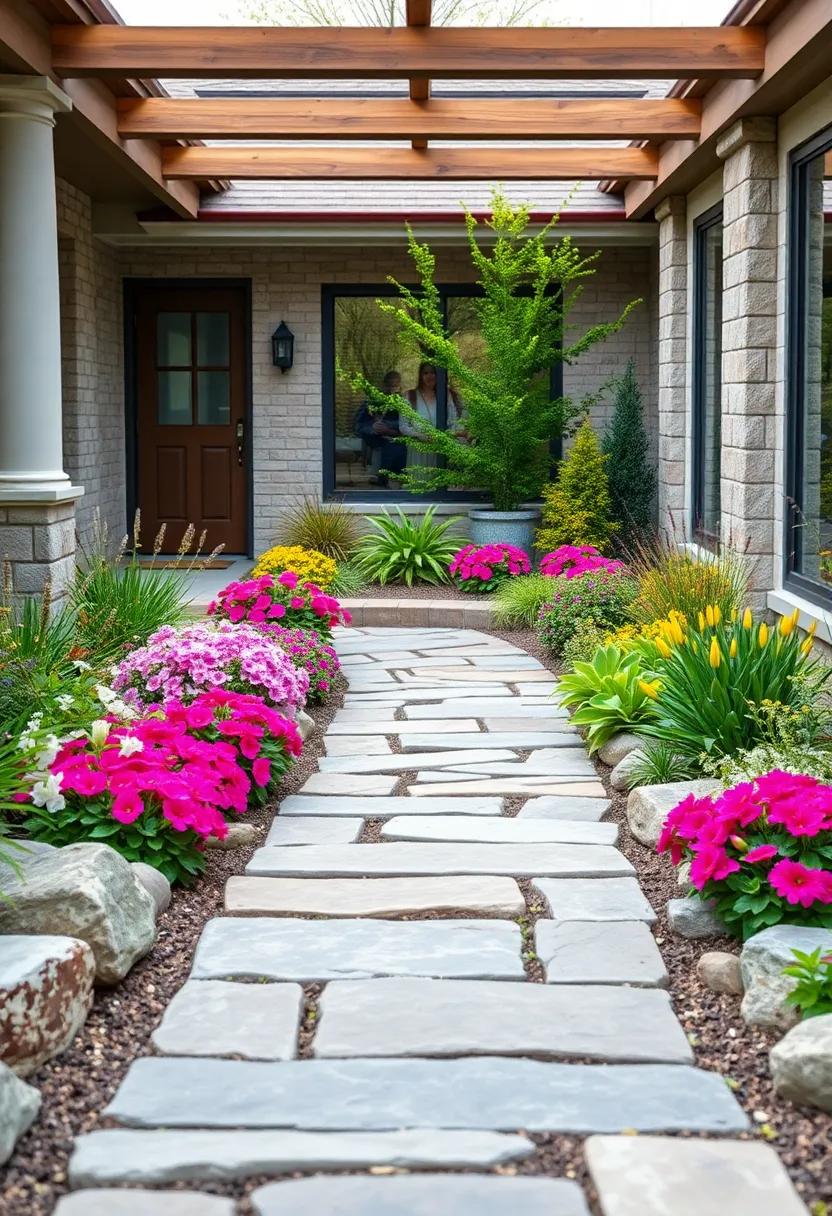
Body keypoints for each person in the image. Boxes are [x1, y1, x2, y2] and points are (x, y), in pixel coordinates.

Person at [401, 362, 463, 467]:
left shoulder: (447, 395)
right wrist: (420, 435)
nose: (430, 376)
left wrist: (445, 437)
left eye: (433, 373)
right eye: (426, 373)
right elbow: (403, 426)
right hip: (418, 450)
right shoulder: (410, 396)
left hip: (442, 449)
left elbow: (453, 422)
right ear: (420, 376)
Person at [354, 370, 407, 486]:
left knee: (395, 447)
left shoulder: (404, 403)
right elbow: (358, 425)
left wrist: (390, 429)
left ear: (400, 387)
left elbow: (409, 425)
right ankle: (384, 477)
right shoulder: (371, 401)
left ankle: (385, 477)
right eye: (389, 385)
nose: (391, 389)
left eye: (395, 386)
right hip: (376, 442)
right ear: (383, 385)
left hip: (397, 440)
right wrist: (373, 428)